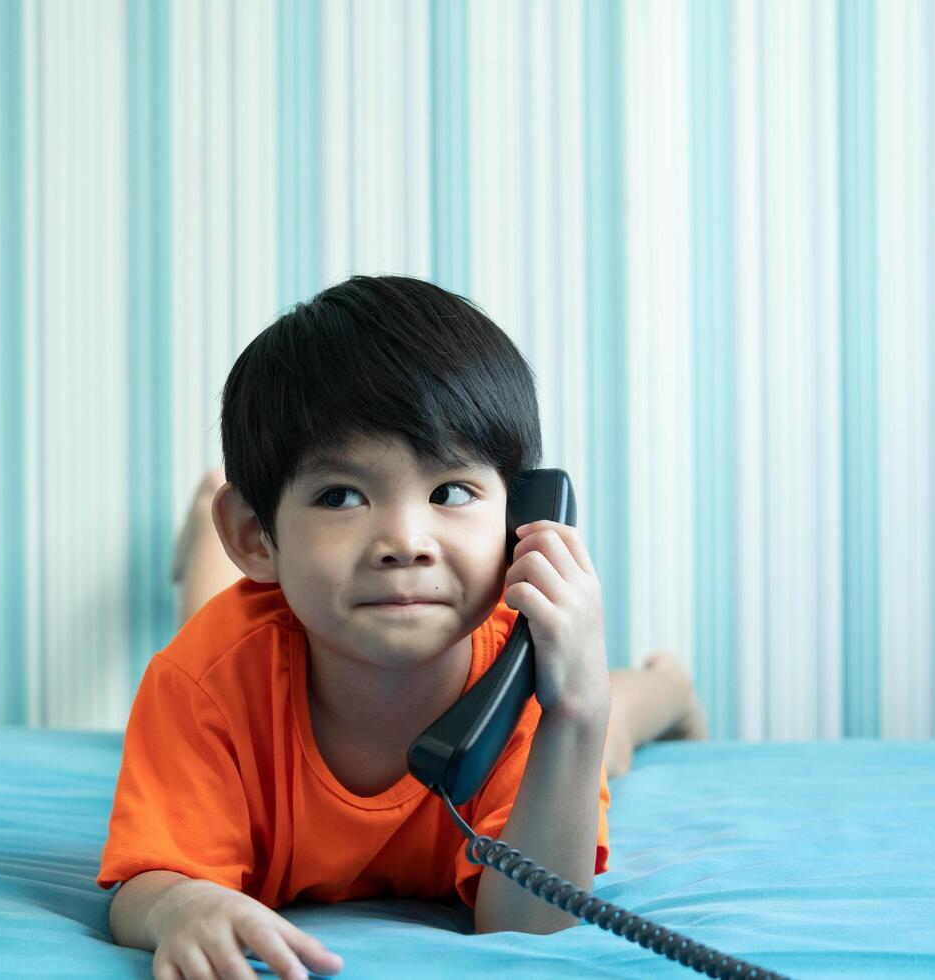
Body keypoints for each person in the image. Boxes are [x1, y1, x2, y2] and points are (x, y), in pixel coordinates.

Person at [99, 275, 706, 980]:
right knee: (214, 627)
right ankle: (209, 520)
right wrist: (181, 906)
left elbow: (531, 922)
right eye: (341, 496)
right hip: (254, 621)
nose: (405, 541)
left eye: (451, 491)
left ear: (520, 517)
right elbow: (145, 885)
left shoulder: (533, 678)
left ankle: (672, 684)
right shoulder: (202, 683)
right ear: (255, 534)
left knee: (613, 736)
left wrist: (579, 713)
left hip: (544, 697)